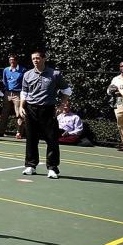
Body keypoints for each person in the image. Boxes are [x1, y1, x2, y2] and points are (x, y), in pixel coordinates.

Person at [21, 50, 72, 179]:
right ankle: (31, 165)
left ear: (44, 59)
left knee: (52, 139)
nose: (35, 61)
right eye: (33, 58)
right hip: (31, 109)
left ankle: (52, 168)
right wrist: (22, 106)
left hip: (48, 110)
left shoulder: (55, 74)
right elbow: (24, 93)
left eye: (38, 58)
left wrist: (61, 106)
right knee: (31, 139)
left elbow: (67, 91)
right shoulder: (27, 74)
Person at [0, 53, 27, 138]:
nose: (12, 61)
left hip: (18, 94)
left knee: (19, 113)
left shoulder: (23, 70)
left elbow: (25, 82)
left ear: (16, 61)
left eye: (13, 60)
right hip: (7, 93)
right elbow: (4, 81)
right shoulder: (6, 70)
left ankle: (19, 132)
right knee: (4, 113)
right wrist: (7, 89)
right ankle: (1, 131)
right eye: (10, 60)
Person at [108, 60, 123, 152]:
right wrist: (111, 90)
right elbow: (109, 90)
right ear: (119, 67)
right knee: (121, 124)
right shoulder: (116, 79)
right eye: (121, 66)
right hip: (119, 104)